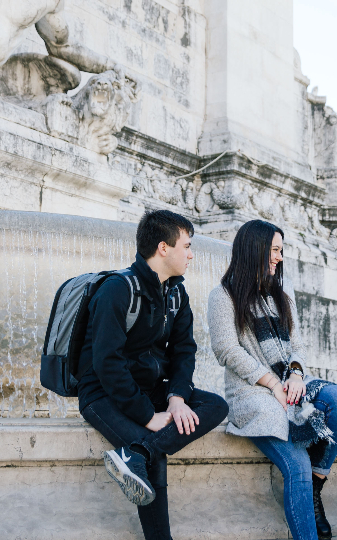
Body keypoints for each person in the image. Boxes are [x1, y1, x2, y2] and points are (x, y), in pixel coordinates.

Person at [78, 210, 229, 540]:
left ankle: (138, 453)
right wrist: (148, 416)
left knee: (216, 405)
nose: (191, 254)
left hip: (151, 389)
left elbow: (184, 351)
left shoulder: (176, 294)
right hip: (102, 394)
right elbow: (107, 365)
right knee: (154, 457)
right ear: (164, 248)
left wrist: (176, 398)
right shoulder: (117, 290)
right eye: (187, 246)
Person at [208, 220, 337, 540]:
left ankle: (317, 483)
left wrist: (297, 375)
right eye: (274, 250)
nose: (279, 257)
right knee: (296, 466)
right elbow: (227, 351)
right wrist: (273, 384)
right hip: (251, 391)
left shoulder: (281, 293)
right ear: (255, 250)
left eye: (281, 251)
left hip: (290, 382)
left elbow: (297, 346)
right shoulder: (223, 295)